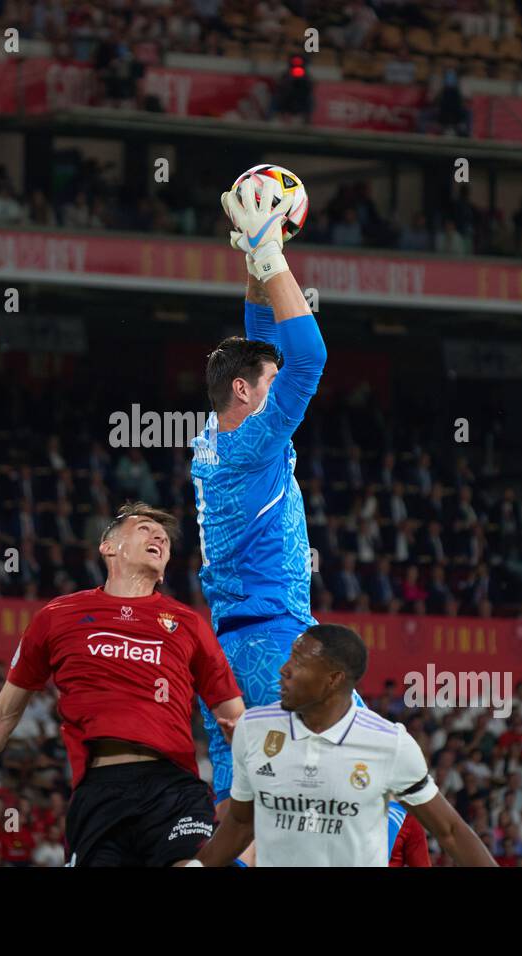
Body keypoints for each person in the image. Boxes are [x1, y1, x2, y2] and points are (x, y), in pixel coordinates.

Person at [0, 503, 244, 867]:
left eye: (164, 537)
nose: (160, 537)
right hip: (99, 792)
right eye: (145, 528)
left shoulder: (189, 624)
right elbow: (3, 714)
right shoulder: (57, 617)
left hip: (174, 788)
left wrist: (245, 777)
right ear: (108, 546)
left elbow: (236, 719)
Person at [190, 178, 360, 825]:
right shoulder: (256, 442)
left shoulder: (217, 440)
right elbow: (309, 358)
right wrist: (269, 253)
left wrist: (254, 264)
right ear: (243, 390)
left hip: (230, 652)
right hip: (277, 643)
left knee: (242, 805)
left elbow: (265, 341)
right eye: (269, 382)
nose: (280, 383)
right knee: (379, 780)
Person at [189, 624, 496, 867]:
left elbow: (451, 832)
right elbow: (241, 825)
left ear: (333, 679)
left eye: (298, 662)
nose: (284, 670)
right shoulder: (253, 729)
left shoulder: (390, 744)